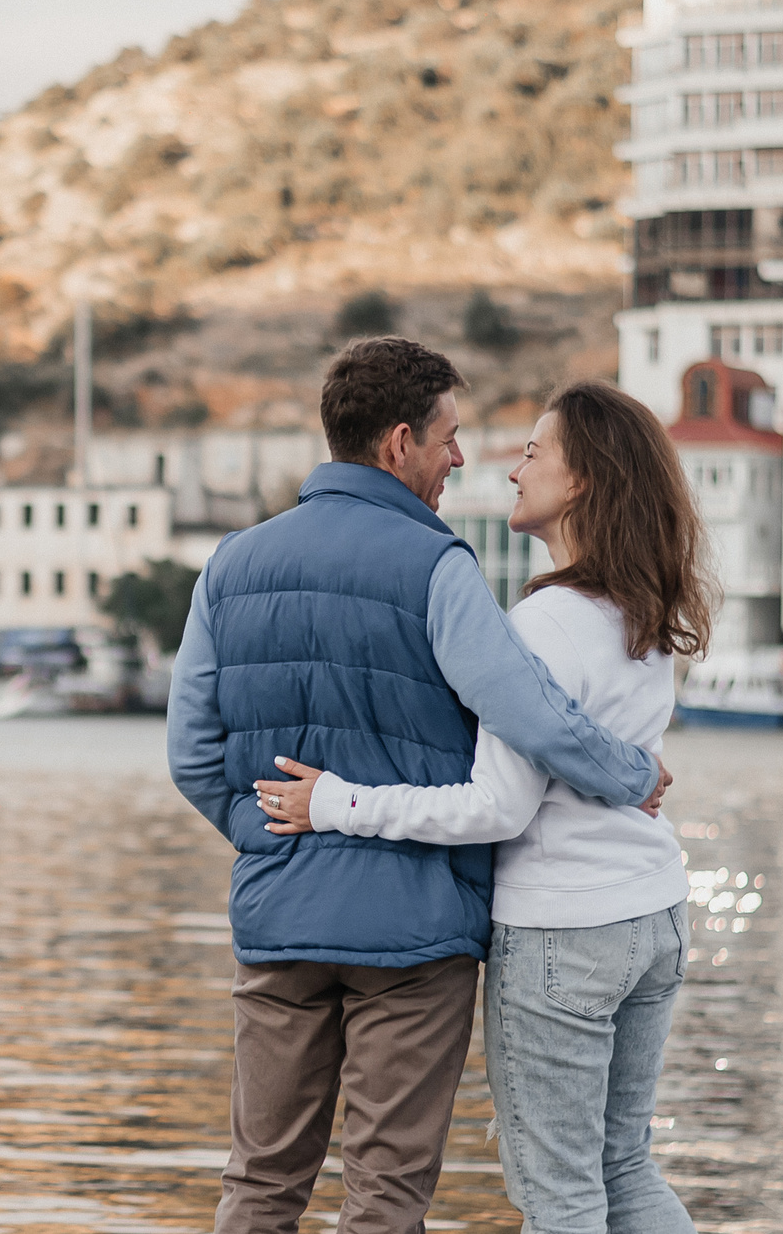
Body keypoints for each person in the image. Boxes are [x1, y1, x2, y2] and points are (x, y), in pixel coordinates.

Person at [167, 338, 671, 1234]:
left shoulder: (231, 564)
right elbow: (537, 719)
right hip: (413, 937)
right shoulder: (438, 567)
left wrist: (266, 832)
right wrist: (634, 772)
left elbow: (191, 754)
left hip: (281, 917)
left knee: (260, 1181)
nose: (463, 459)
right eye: (450, 437)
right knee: (387, 1194)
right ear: (400, 442)